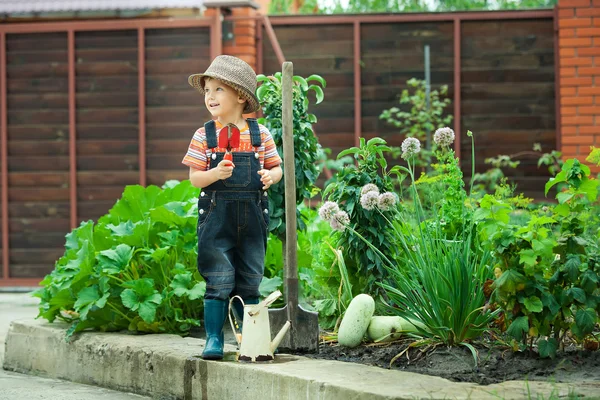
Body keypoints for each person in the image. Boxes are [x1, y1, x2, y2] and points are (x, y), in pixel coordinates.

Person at [182, 55, 283, 360]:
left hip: (252, 217)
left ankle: (247, 338)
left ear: (240, 96)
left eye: (217, 90)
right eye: (206, 91)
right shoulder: (204, 136)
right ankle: (214, 339)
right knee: (219, 276)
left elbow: (276, 168)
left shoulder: (260, 135)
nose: (209, 97)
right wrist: (216, 174)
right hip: (217, 217)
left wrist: (269, 176)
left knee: (250, 277)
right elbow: (195, 179)